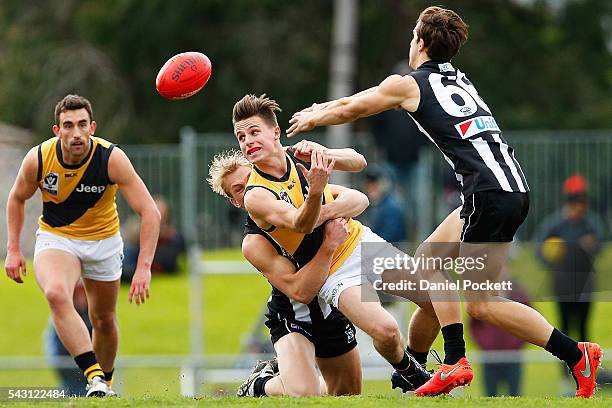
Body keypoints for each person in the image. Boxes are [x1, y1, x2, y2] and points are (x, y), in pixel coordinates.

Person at [286, 6, 602, 398]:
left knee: (480, 304)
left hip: (488, 193)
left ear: (419, 42)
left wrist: (316, 114)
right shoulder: (460, 79)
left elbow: (355, 105)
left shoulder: (411, 83)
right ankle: (415, 370)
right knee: (427, 265)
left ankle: (461, 360)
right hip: (506, 189)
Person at [231, 94, 444, 394]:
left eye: (254, 132)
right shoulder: (256, 194)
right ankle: (410, 371)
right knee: (385, 331)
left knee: (438, 300)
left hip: (359, 241)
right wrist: (318, 193)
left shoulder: (299, 156)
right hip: (332, 270)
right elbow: (300, 223)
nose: (247, 141)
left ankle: (414, 366)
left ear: (275, 133)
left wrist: (324, 152)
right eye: (241, 136)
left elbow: (359, 163)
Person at [5, 94, 161, 397]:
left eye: (81, 125)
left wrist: (143, 268)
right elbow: (16, 198)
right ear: (56, 130)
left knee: (103, 319)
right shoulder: (38, 158)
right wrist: (13, 248)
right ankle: (94, 377)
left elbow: (150, 212)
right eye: (68, 125)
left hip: (104, 241)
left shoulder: (110, 158)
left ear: (92, 127)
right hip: (57, 238)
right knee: (55, 294)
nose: (75, 133)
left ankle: (106, 385)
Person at [208, 150, 366, 397]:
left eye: (250, 180)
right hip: (293, 315)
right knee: (304, 394)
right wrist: (328, 244)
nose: (249, 189)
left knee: (348, 395)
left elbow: (358, 199)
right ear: (235, 202)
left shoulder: (299, 197)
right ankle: (259, 384)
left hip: (331, 304)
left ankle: (296, 379)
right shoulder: (254, 243)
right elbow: (301, 292)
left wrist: (323, 211)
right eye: (239, 189)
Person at [535, 175, 603, 342]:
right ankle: (566, 367)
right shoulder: (555, 224)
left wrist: (592, 245)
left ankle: (585, 366)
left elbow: (600, 246)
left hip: (585, 285)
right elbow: (538, 248)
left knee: (583, 330)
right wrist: (551, 262)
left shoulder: (590, 223)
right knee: (564, 329)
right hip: (563, 286)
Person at [45, 280, 92, 397]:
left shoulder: (94, 315)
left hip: (92, 371)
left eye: (83, 291)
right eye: (78, 292)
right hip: (69, 370)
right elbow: (53, 345)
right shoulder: (61, 316)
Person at [122, 196, 186, 282]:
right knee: (129, 251)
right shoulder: (139, 226)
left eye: (160, 209)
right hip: (138, 259)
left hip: (157, 263)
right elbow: (130, 239)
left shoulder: (173, 235)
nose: (158, 211)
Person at [363, 166, 407, 244]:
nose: (371, 188)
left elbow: (387, 237)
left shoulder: (392, 208)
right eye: (369, 184)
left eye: (374, 184)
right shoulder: (371, 206)